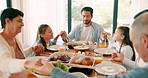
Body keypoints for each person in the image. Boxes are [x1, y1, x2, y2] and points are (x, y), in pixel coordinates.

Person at [33, 9, 148, 78]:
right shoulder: (77, 27)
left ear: (145, 41)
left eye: (133, 41)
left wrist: (53, 71)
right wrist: (64, 38)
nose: (85, 18)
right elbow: (69, 41)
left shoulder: (142, 72)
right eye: (83, 16)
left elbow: (101, 44)